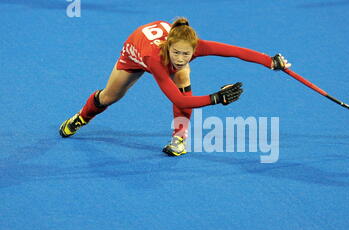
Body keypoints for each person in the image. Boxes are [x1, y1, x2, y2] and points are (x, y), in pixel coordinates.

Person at [59, 17, 291, 156]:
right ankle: (81, 117)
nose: (180, 58)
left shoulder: (196, 47)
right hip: (135, 53)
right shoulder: (155, 58)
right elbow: (178, 101)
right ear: (168, 47)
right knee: (110, 96)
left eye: (186, 53)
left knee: (183, 75)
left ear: (195, 49)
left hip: (157, 48)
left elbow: (235, 51)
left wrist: (269, 61)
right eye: (176, 52)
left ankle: (179, 139)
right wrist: (216, 98)